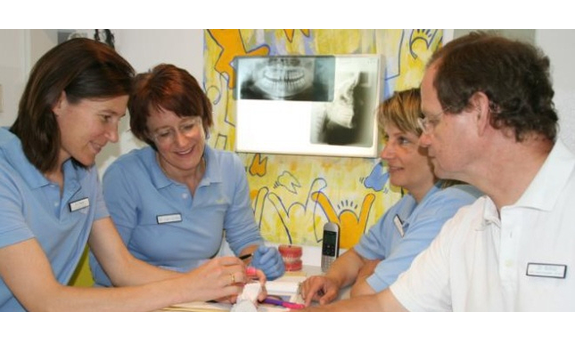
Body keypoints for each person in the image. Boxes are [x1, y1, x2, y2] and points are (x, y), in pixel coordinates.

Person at [306, 32, 575, 312]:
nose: (425, 139)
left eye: (432, 121)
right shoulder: (467, 226)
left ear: (479, 111)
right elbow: (383, 306)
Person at [0, 39, 264, 312]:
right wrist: (194, 286)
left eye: (118, 120)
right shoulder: (4, 172)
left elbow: (122, 268)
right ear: (58, 101)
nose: (113, 136)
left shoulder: (82, 173)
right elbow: (47, 300)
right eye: (105, 117)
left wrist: (213, 286)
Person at [89, 64, 285, 287]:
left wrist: (257, 260)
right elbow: (103, 271)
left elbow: (246, 240)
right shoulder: (125, 176)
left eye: (188, 126)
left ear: (204, 119)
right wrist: (193, 281)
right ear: (147, 135)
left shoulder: (229, 168)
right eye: (165, 133)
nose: (181, 142)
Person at [300, 88, 481, 306]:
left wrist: (367, 273)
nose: (386, 153)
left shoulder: (450, 206)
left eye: (403, 140)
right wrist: (332, 279)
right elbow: (357, 256)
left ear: (431, 142)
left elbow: (366, 296)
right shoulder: (409, 204)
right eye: (388, 138)